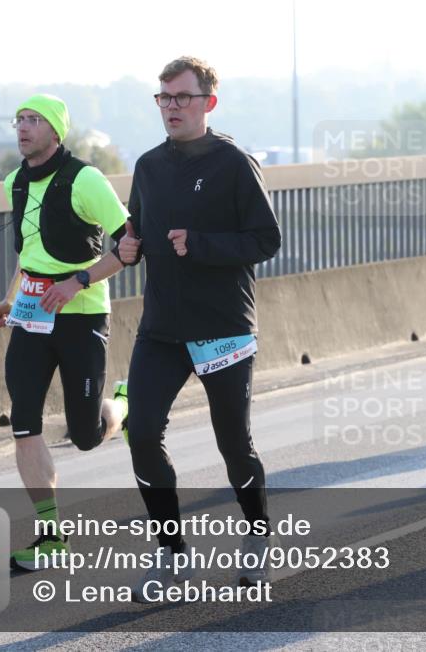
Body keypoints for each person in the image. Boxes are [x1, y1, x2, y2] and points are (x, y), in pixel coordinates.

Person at [115, 57, 281, 601]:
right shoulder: (147, 165)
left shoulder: (235, 163)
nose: (171, 107)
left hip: (222, 327)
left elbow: (266, 240)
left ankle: (257, 537)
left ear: (208, 102)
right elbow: (134, 234)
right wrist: (123, 246)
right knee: (142, 434)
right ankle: (172, 554)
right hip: (162, 329)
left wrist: (202, 244)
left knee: (233, 443)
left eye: (182, 97)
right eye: (163, 98)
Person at [0, 94, 130, 570]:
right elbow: (28, 253)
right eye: (19, 119)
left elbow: (131, 243)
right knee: (24, 423)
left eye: (34, 120)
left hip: (82, 314)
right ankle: (51, 536)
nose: (23, 127)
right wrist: (11, 297)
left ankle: (122, 406)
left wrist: (77, 282)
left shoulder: (86, 179)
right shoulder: (14, 182)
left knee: (85, 435)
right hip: (31, 316)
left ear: (56, 131)